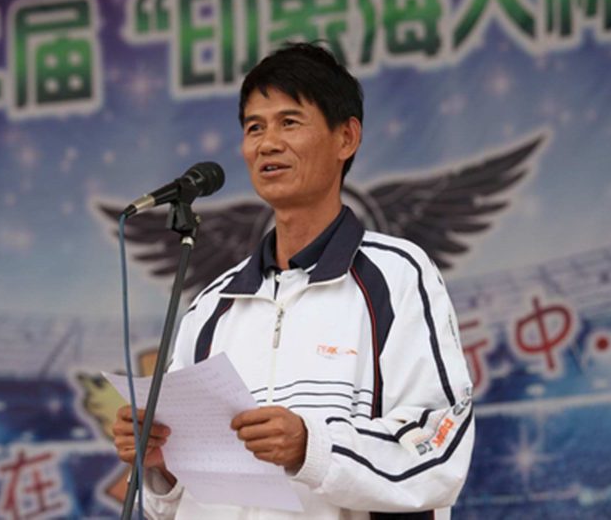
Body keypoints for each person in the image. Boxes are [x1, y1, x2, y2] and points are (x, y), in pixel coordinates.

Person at [112, 42, 474, 520]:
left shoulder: (397, 276)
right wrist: (162, 465)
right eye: (254, 127)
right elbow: (176, 504)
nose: (267, 143)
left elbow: (439, 452)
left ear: (346, 138)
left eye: (289, 122)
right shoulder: (212, 305)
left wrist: (311, 447)